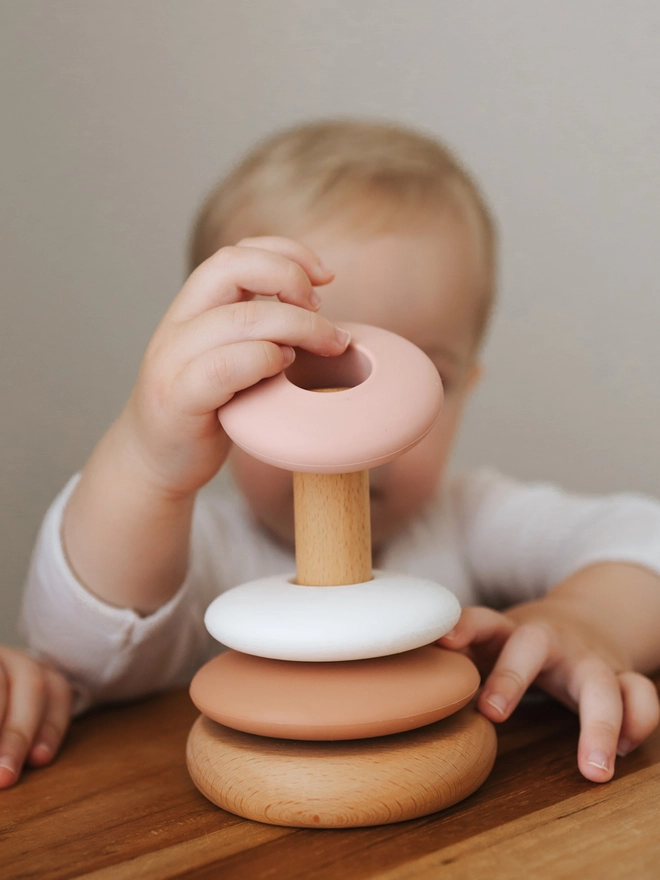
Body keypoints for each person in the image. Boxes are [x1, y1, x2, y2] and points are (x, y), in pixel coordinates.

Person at [4, 120, 660, 791]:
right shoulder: (198, 546)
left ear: (463, 389)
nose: (352, 436)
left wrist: (583, 620)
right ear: (214, 395)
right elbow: (77, 647)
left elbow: (645, 537)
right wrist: (149, 463)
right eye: (297, 376)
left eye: (413, 377)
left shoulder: (466, 517)